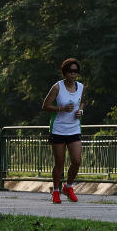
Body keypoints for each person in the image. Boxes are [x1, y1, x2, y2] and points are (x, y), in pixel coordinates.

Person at [41, 59, 85, 203]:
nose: (73, 74)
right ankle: (55, 191)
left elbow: (82, 101)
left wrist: (81, 111)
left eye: (75, 71)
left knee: (76, 161)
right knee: (59, 162)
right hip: (58, 129)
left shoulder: (81, 87)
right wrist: (61, 109)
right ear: (64, 72)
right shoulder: (57, 87)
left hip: (74, 129)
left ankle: (68, 186)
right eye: (70, 71)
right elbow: (45, 106)